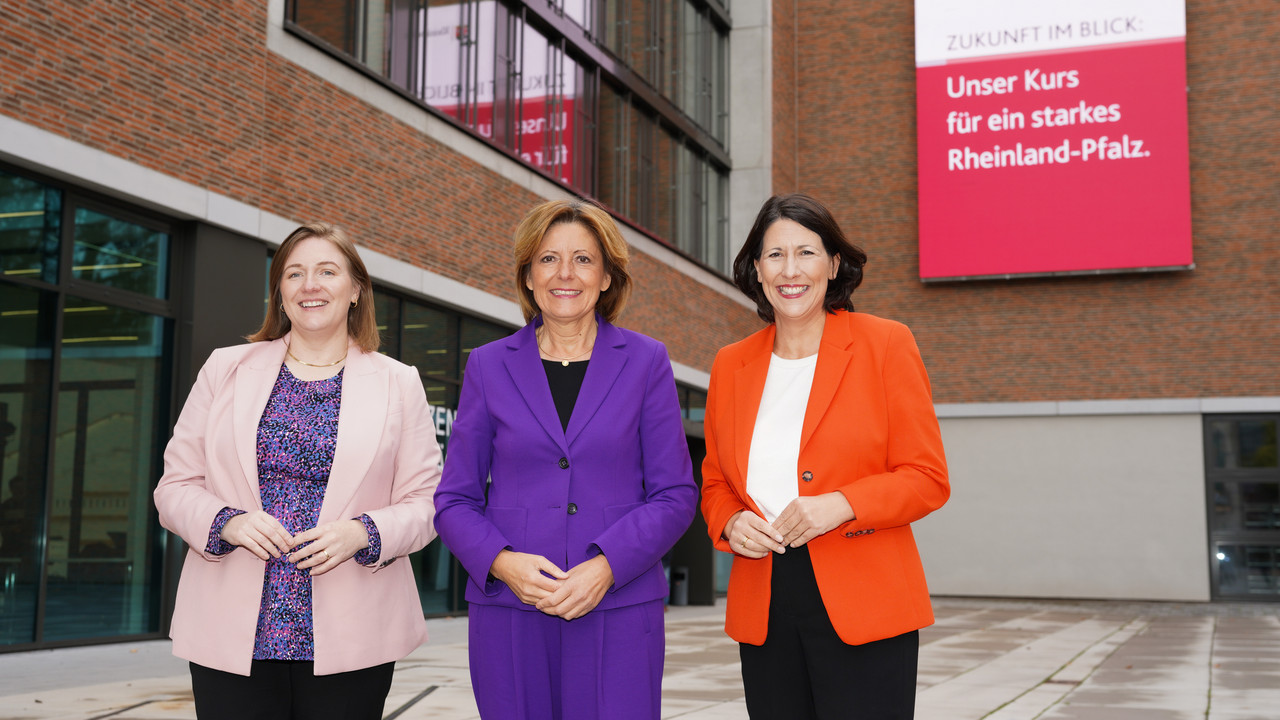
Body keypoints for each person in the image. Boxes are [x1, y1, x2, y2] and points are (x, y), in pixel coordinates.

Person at [153, 223, 441, 720]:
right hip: (230, 627)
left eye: (327, 271)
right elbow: (174, 486)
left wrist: (363, 532)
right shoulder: (224, 369)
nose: (311, 285)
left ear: (355, 290)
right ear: (280, 293)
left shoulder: (399, 382)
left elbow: (427, 503)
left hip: (354, 628)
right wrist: (227, 522)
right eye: (295, 273)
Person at [434, 198, 698, 720]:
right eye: (548, 259)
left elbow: (675, 495)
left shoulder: (647, 361)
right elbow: (454, 500)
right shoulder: (488, 366)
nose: (565, 274)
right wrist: (503, 564)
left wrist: (606, 566)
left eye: (583, 259)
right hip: (513, 607)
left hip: (618, 606)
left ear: (605, 278)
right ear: (528, 277)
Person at [700, 194, 950, 719]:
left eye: (806, 252)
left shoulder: (886, 344)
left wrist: (840, 502)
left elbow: (926, 477)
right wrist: (731, 523)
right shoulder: (731, 364)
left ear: (833, 265)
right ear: (757, 270)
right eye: (774, 255)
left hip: (866, 602)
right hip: (765, 605)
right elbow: (717, 480)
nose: (790, 270)